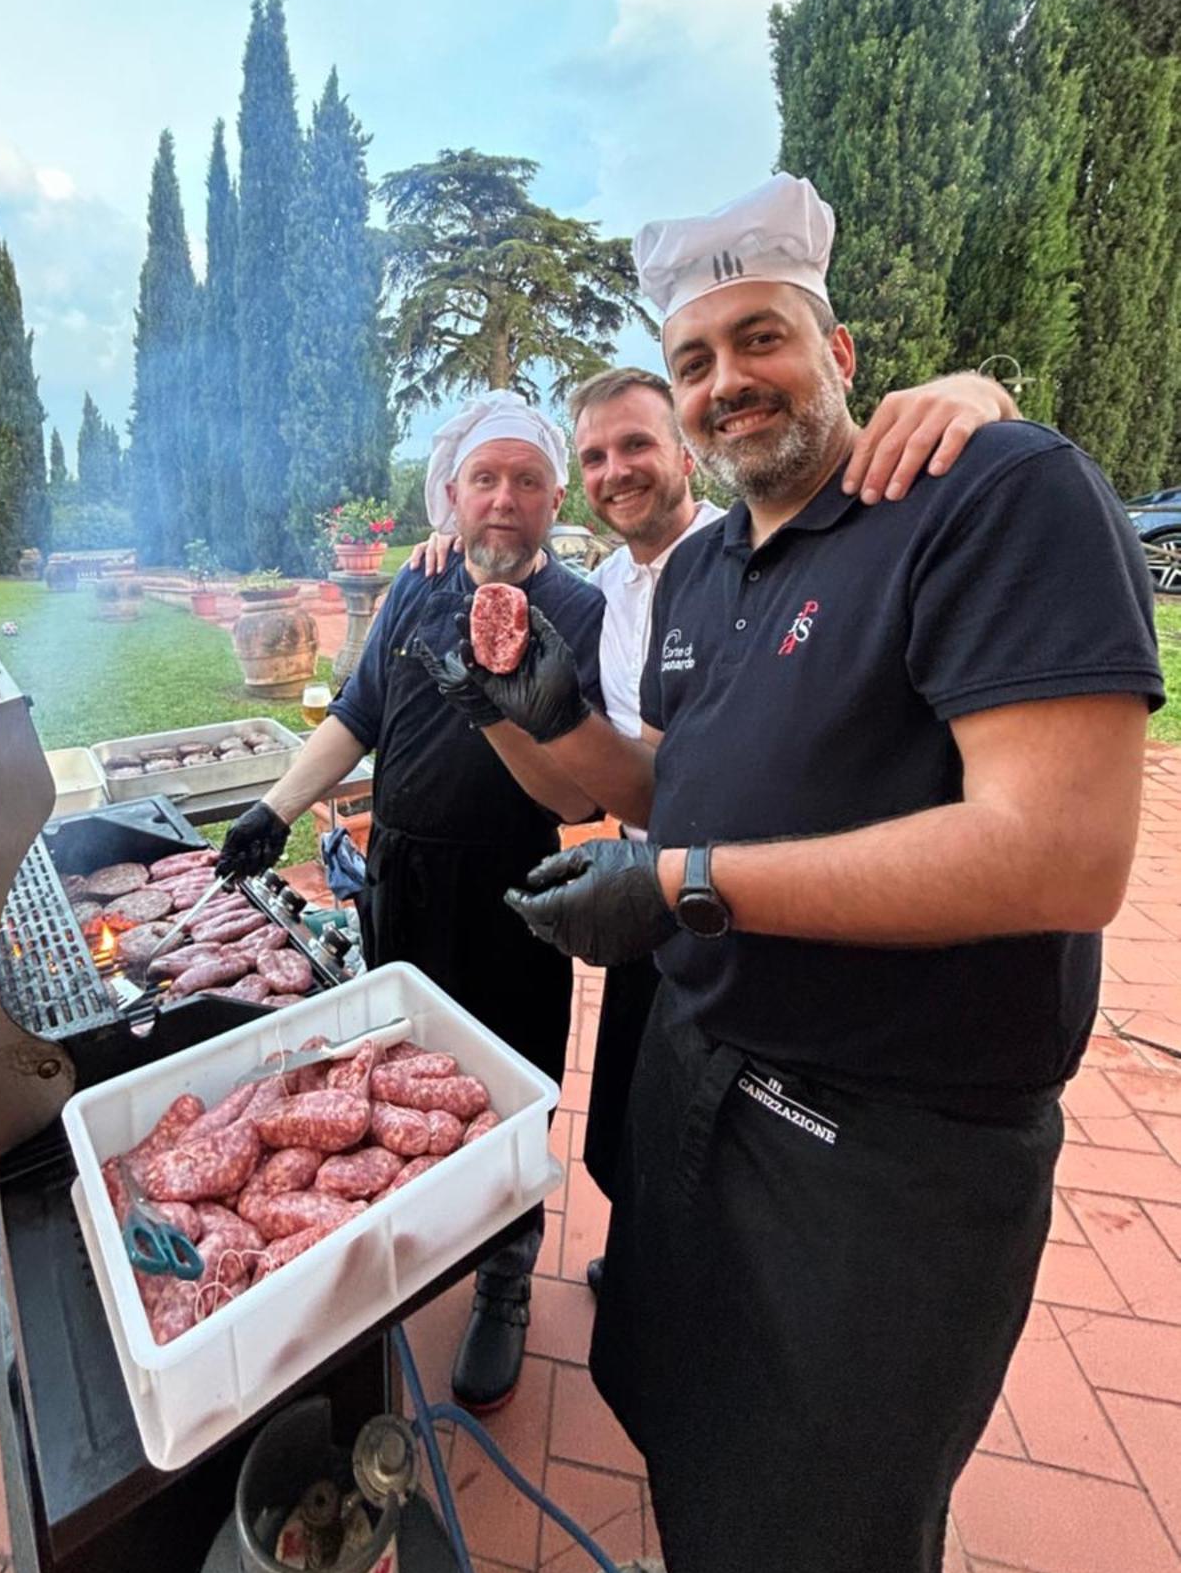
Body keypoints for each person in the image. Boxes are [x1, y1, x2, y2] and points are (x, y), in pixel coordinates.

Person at [432, 174, 1163, 1573]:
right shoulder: (704, 572)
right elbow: (656, 791)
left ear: (838, 352)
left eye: (760, 339)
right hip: (705, 1086)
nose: (725, 385)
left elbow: (1063, 853)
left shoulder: (994, 496)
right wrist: (523, 705)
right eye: (695, 359)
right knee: (693, 1418)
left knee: (832, 1526)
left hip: (889, 1152)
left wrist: (689, 890)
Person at [414, 360, 1019, 1293]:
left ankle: (696, 1282)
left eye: (638, 445)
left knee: (755, 1165)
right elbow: (652, 782)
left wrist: (978, 393)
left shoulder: (746, 553)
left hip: (791, 924)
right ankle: (651, 1260)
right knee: (629, 1118)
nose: (618, 470)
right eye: (597, 455)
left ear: (687, 452)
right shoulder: (616, 587)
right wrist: (533, 709)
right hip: (658, 892)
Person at [216, 391, 606, 1411]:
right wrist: (273, 806)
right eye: (486, 478)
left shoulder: (581, 610)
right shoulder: (413, 587)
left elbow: (580, 794)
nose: (505, 499)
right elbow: (354, 716)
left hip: (518, 889)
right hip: (403, 877)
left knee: (513, 1086)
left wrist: (505, 709)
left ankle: (508, 1276)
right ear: (453, 493)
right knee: (395, 1076)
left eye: (527, 480)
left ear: (555, 495)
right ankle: (410, 1236)